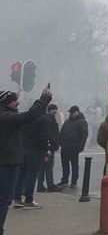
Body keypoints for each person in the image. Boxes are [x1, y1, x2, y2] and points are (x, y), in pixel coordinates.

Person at [0, 86, 53, 235]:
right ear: (6, 102)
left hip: (11, 162)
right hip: (5, 165)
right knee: (3, 201)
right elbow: (30, 115)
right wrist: (44, 98)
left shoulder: (7, 116)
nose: (17, 103)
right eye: (14, 101)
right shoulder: (5, 117)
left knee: (5, 200)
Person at [58, 105, 88, 188]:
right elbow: (62, 132)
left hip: (74, 147)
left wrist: (81, 147)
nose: (71, 114)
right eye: (70, 112)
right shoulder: (67, 122)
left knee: (74, 165)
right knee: (65, 165)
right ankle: (64, 180)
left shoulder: (82, 122)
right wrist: (60, 142)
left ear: (77, 112)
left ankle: (74, 181)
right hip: (65, 147)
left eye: (72, 112)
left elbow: (84, 135)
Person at [37, 104, 61, 193]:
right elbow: (50, 135)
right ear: (49, 110)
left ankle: (40, 185)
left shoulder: (46, 119)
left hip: (44, 147)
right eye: (53, 109)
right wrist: (50, 148)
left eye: (55, 109)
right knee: (48, 167)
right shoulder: (49, 120)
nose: (55, 111)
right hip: (48, 147)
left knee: (42, 167)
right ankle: (50, 185)